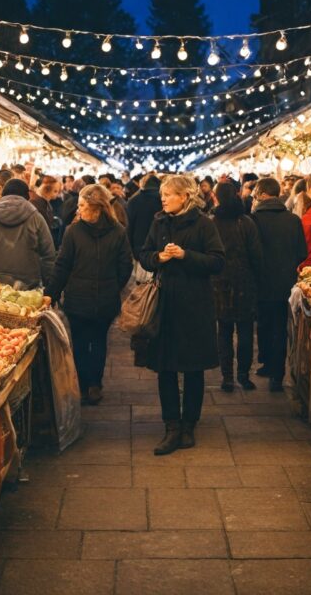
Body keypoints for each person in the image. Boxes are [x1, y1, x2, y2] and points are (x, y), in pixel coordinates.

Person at [139, 175, 225, 455]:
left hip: (194, 305)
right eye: (162, 194)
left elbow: (217, 261)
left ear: (185, 197)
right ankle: (171, 425)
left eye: (169, 194)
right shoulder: (159, 222)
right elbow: (144, 255)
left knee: (192, 367)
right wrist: (158, 258)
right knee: (165, 366)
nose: (163, 199)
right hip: (164, 304)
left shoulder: (203, 224)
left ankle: (189, 424)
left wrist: (185, 255)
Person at [46, 185, 132, 405]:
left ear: (96, 207)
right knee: (92, 341)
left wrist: (112, 286)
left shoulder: (83, 232)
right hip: (87, 299)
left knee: (88, 342)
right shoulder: (78, 231)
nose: (79, 210)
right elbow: (62, 265)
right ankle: (92, 384)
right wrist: (51, 293)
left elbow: (125, 266)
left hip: (87, 298)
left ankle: (88, 385)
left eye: (82, 205)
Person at [251, 177, 308, 392]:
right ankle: (277, 374)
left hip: (261, 281)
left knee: (264, 324)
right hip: (285, 282)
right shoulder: (293, 220)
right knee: (280, 326)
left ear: (263, 194)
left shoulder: (253, 219)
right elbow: (302, 252)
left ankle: (266, 363)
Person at [211, 182, 262, 392]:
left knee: (223, 331)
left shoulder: (211, 223)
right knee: (245, 331)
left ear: (217, 198)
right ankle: (243, 375)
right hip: (244, 282)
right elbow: (257, 255)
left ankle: (227, 377)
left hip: (218, 283)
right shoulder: (246, 222)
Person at [0, 179, 55, 289]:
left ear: (3, 195)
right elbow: (48, 255)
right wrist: (49, 286)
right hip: (27, 287)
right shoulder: (37, 219)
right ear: (27, 196)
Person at [126, 174, 161, 259]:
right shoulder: (163, 199)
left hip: (138, 248)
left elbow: (129, 227)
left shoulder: (132, 201)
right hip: (160, 250)